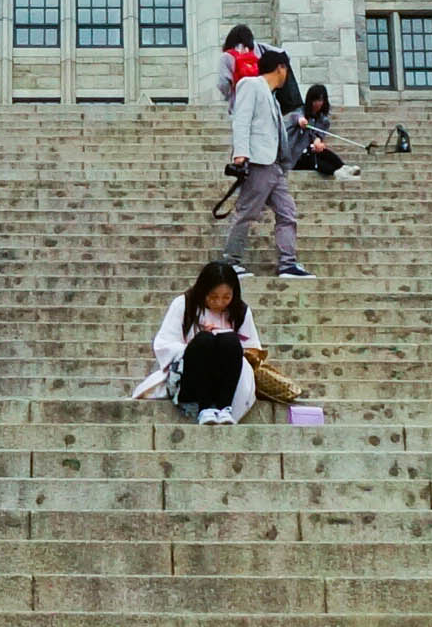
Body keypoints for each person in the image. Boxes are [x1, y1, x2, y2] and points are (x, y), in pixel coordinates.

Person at [221, 47, 313, 280]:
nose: (287, 76)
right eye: (286, 70)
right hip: (259, 162)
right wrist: (240, 154)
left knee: (287, 212)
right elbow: (241, 120)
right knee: (247, 212)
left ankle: (287, 263)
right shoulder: (250, 85)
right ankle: (231, 262)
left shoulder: (272, 97)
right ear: (280, 68)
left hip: (274, 165)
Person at [133, 260, 265, 422]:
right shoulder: (185, 304)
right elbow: (164, 344)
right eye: (213, 297)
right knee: (205, 341)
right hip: (192, 375)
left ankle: (225, 407)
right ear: (203, 292)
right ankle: (205, 407)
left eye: (226, 297)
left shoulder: (240, 311)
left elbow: (252, 350)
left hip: (229, 378)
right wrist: (198, 342)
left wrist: (225, 343)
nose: (219, 303)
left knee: (229, 340)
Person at [283, 83, 350, 181]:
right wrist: (301, 120)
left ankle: (343, 167)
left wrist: (318, 143)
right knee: (312, 158)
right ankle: (336, 172)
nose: (317, 103)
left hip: (310, 151)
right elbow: (296, 116)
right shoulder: (301, 111)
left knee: (323, 152)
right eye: (315, 100)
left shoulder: (323, 120)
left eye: (320, 100)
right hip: (296, 157)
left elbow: (318, 136)